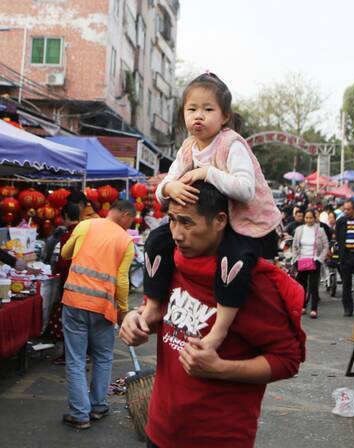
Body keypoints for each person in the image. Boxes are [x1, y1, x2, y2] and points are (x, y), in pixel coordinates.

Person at [119, 181, 305, 447]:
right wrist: (134, 321)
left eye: (187, 223)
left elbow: (288, 360)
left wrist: (220, 368)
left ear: (220, 220)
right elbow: (156, 314)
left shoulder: (251, 284)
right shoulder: (170, 264)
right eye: (172, 220)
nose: (177, 234)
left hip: (218, 439)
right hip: (160, 430)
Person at [149, 72, 281, 354]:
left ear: (224, 117)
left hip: (249, 226)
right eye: (192, 109)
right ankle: (152, 306)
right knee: (156, 240)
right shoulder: (187, 147)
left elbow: (245, 189)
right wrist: (170, 187)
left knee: (232, 260)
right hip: (215, 224)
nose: (199, 116)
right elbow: (163, 187)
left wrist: (208, 172)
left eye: (208, 110)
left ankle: (219, 330)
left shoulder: (230, 144)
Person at [60, 200, 135, 429]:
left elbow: (65, 253)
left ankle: (80, 414)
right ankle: (99, 406)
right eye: (131, 219)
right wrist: (123, 309)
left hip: (75, 302)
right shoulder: (127, 241)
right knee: (103, 357)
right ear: (124, 214)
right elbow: (122, 281)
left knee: (76, 359)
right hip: (104, 307)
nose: (130, 224)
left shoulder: (85, 226)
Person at [47, 203, 81, 364]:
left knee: (70, 323)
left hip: (69, 282)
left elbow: (63, 261)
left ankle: (70, 355)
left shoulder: (69, 235)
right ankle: (81, 352)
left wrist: (53, 271)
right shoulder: (83, 231)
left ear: (66, 216)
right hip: (83, 283)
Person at [292, 210, 328, 318]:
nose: (308, 220)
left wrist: (320, 259)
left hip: (314, 261)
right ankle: (302, 306)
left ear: (314, 218)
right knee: (302, 286)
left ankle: (314, 309)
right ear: (304, 218)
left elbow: (326, 246)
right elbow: (294, 245)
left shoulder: (320, 230)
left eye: (311, 218)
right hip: (301, 261)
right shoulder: (299, 230)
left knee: (313, 286)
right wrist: (295, 259)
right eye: (306, 218)